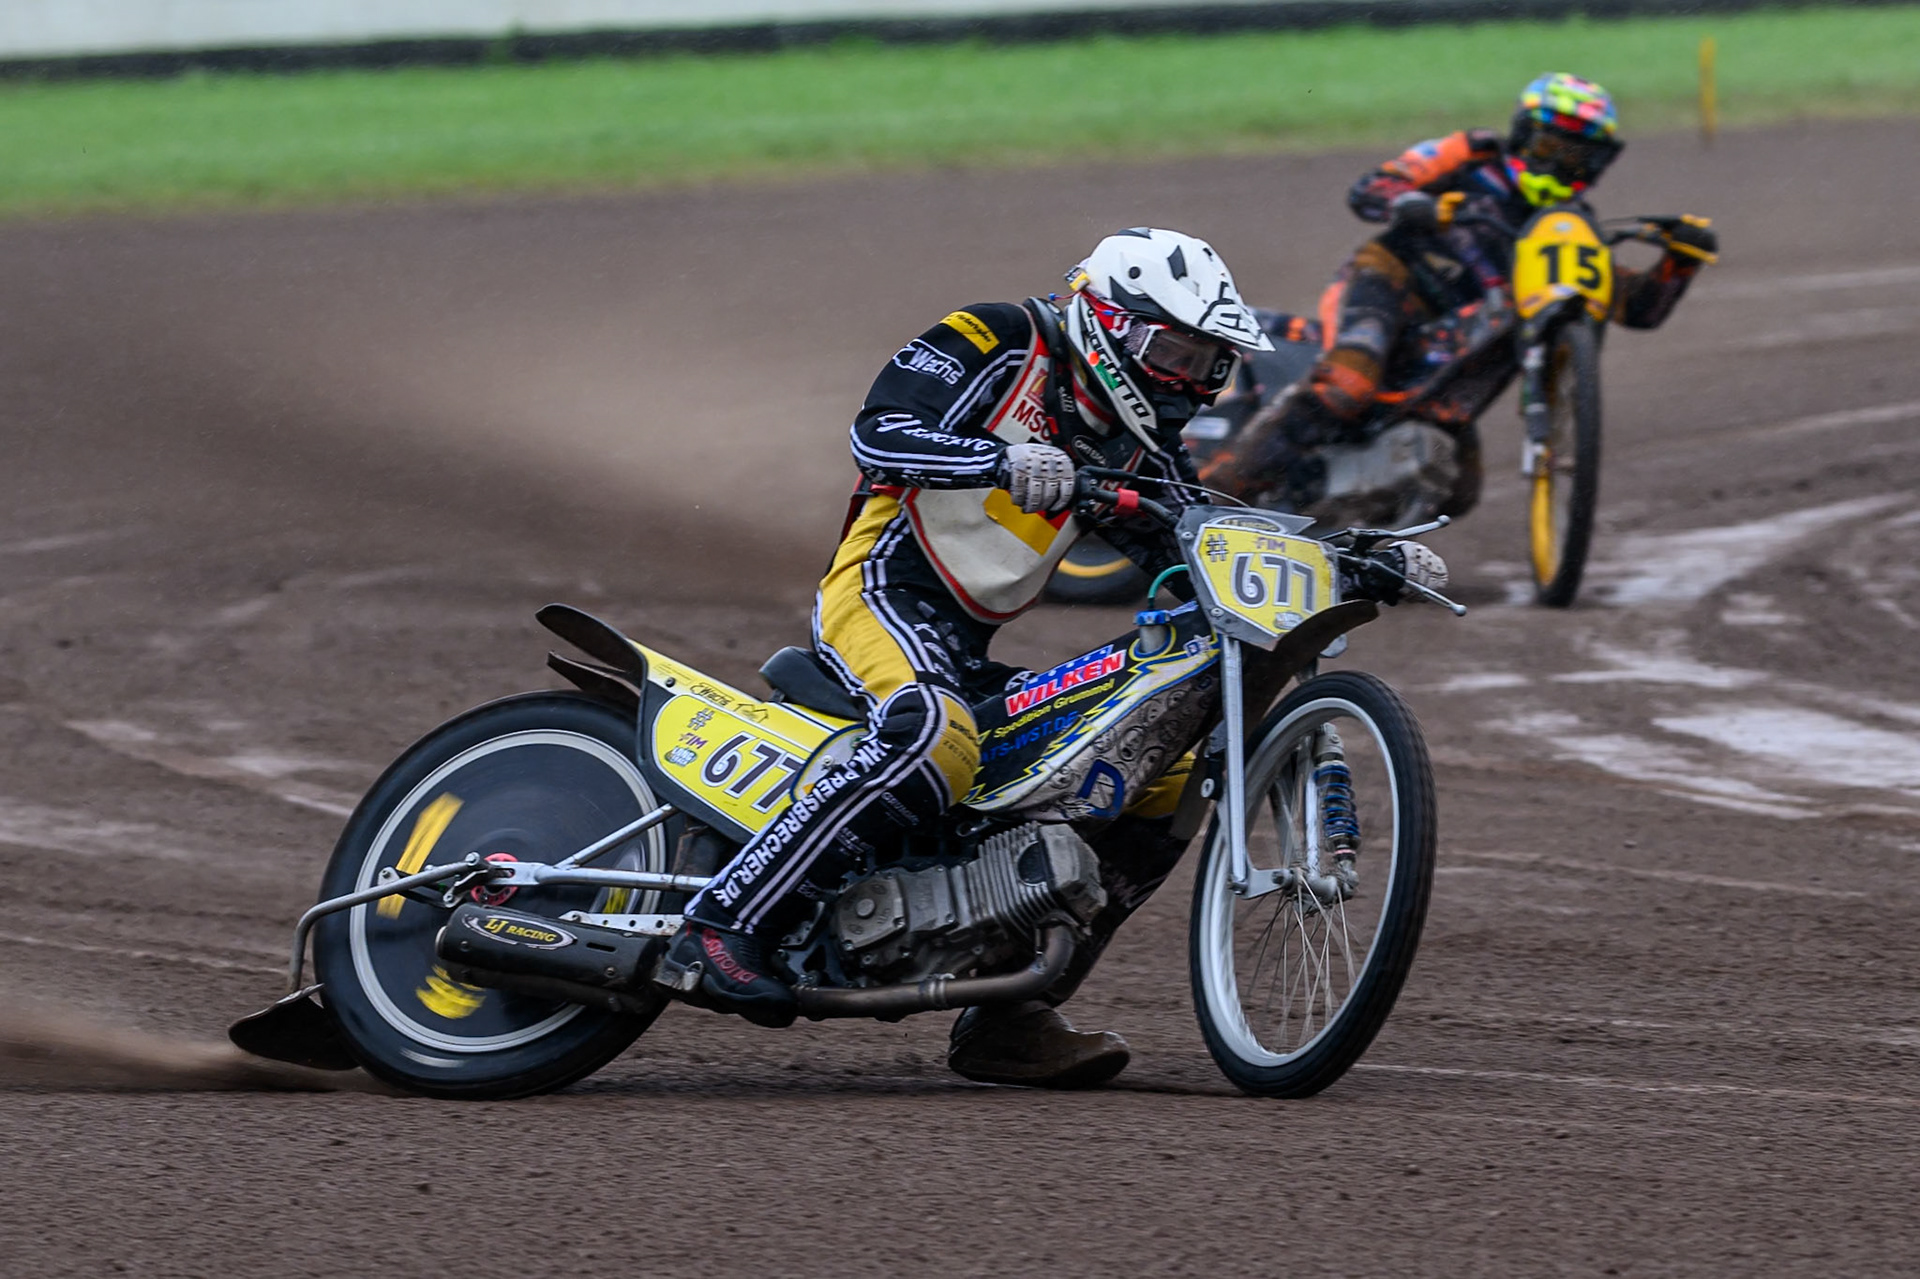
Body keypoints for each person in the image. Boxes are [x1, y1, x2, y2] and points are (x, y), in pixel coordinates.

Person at [654, 228, 1274, 1087]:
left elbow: (1193, 535)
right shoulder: (998, 335)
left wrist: (1357, 554)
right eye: (1174, 352)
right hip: (879, 593)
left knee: (1159, 769)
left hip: (966, 648)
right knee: (934, 733)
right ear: (1110, 322)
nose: (1188, 379)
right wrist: (1000, 460)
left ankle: (1011, 1016)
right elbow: (879, 435)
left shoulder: (1136, 444)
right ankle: (723, 922)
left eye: (1207, 362)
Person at [1202, 72, 1719, 505]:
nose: (1563, 166)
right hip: (1391, 282)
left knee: (1457, 490)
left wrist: (1680, 262)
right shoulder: (1471, 156)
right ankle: (1217, 493)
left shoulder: (1569, 226)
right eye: (1552, 148)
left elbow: (1634, 308)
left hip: (1455, 345)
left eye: (1580, 158)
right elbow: (1371, 191)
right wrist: (1417, 206)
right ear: (1523, 134)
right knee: (1347, 385)